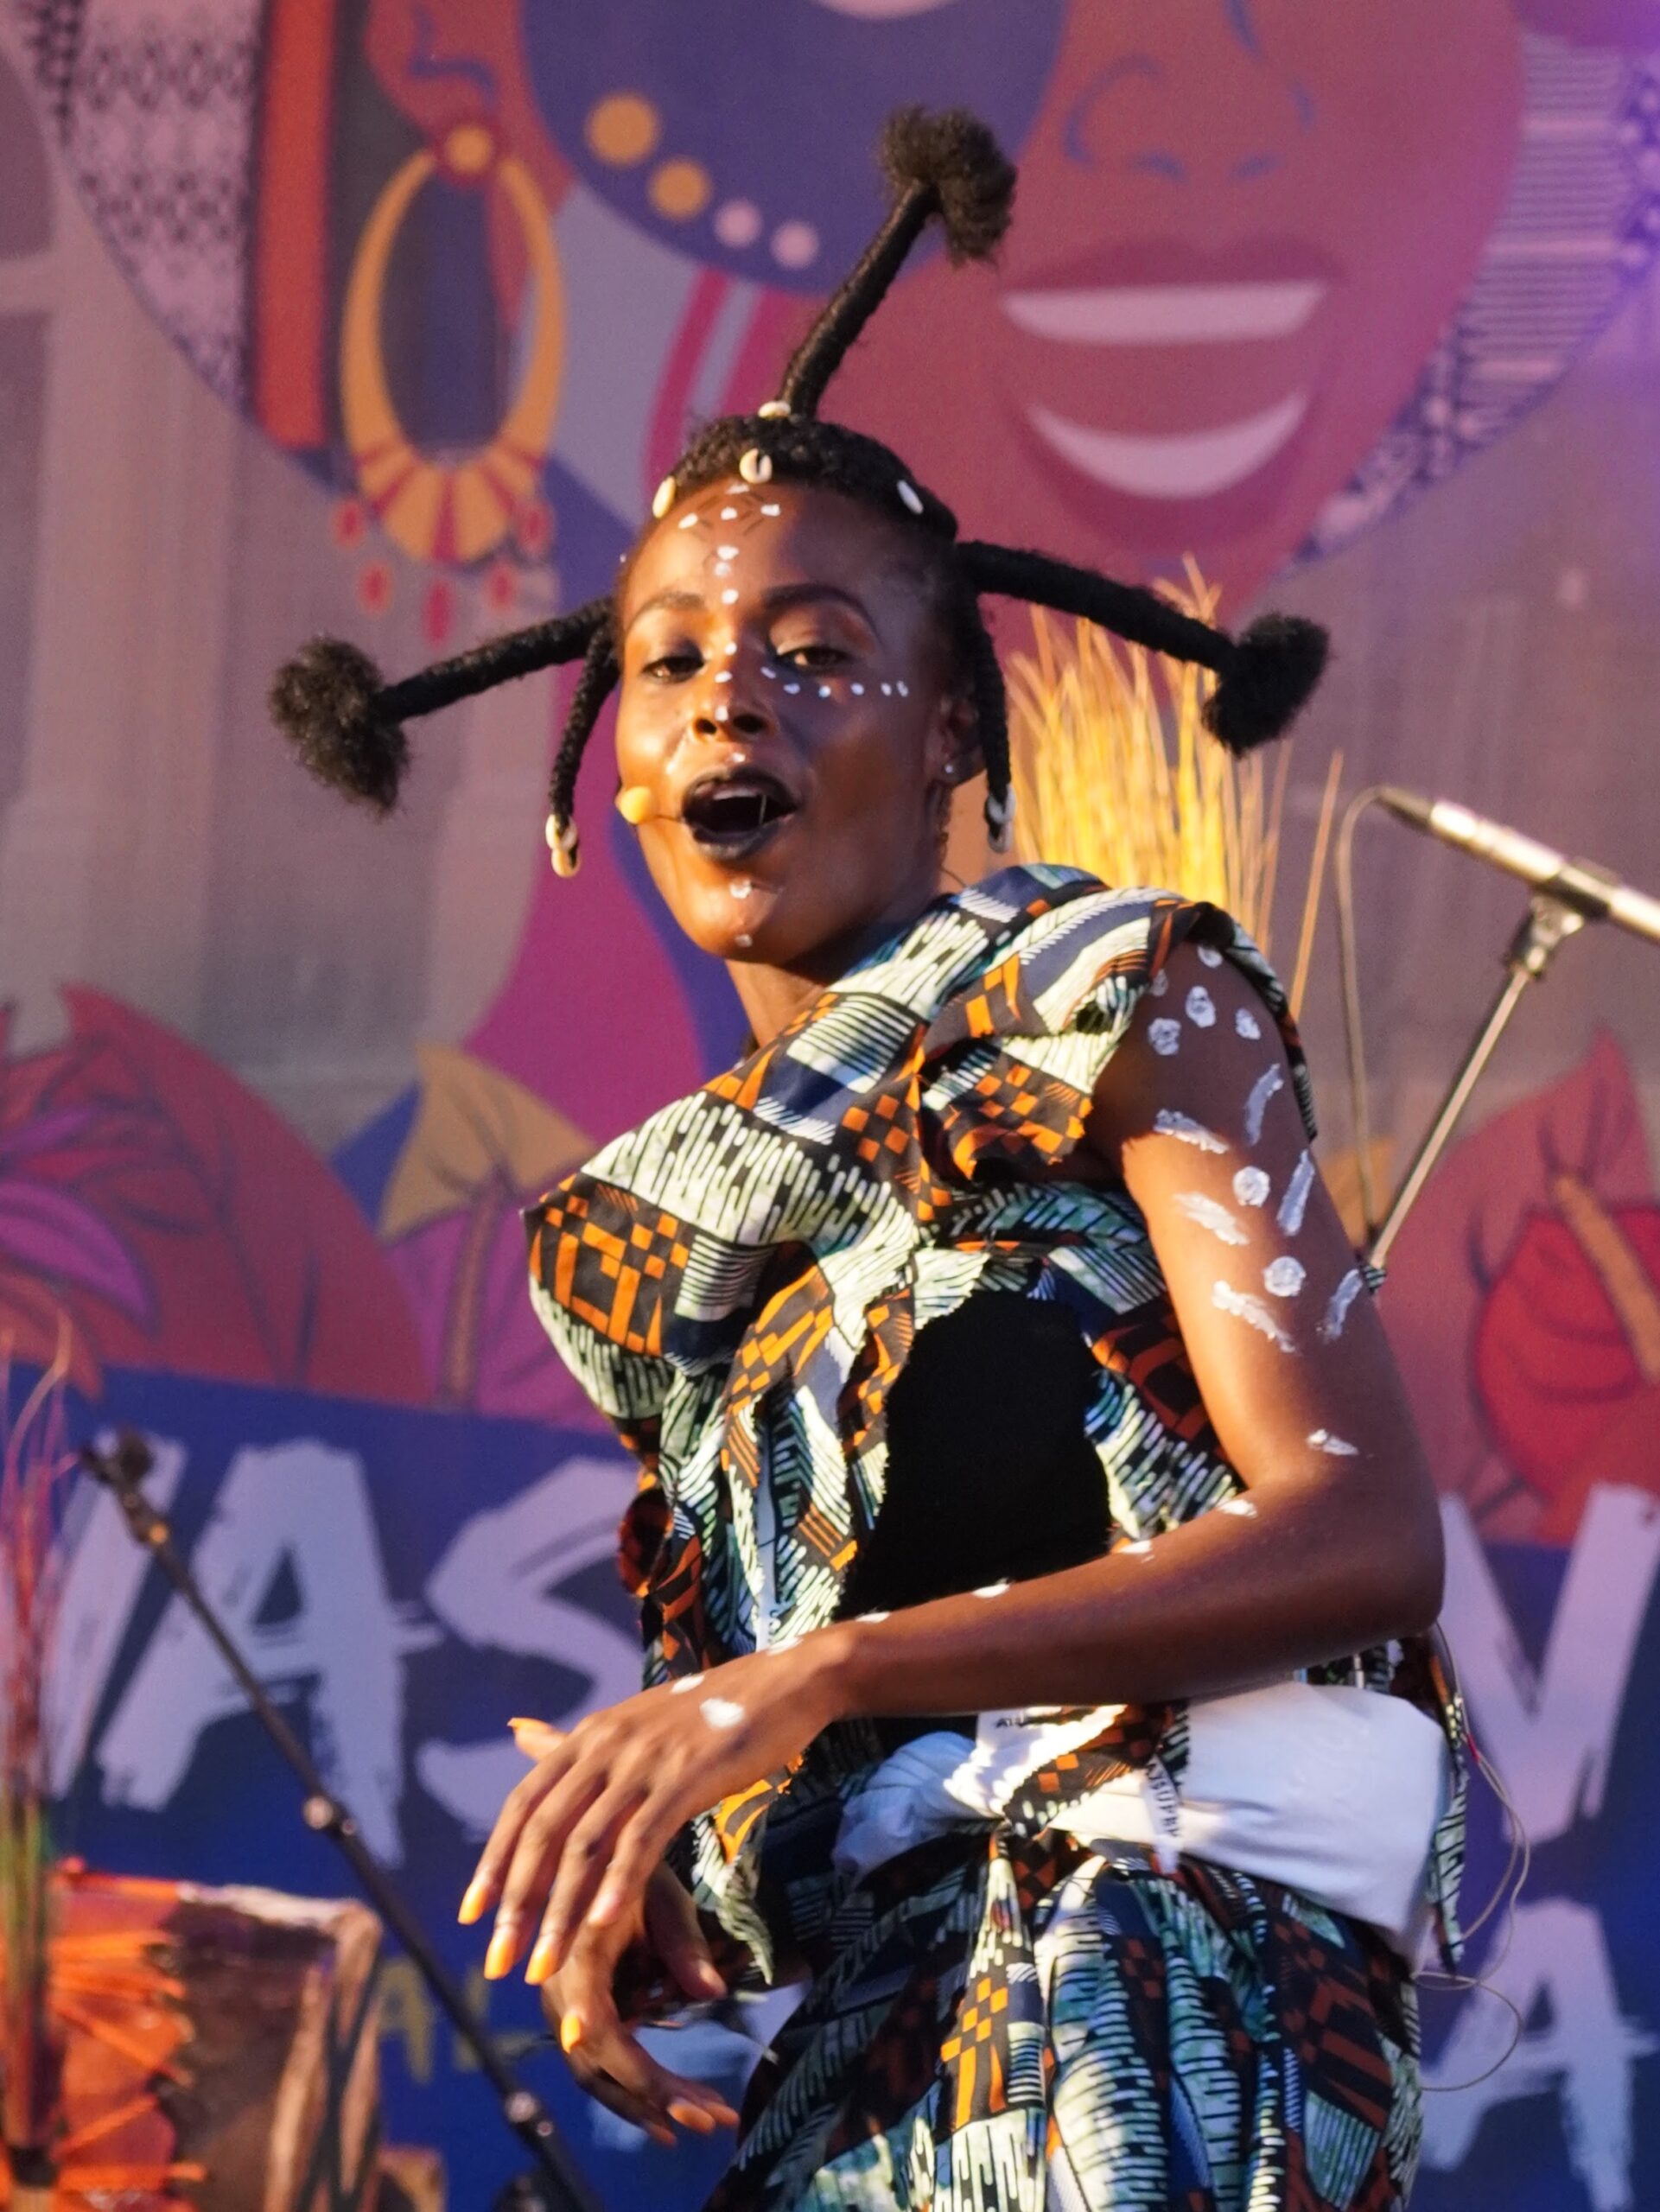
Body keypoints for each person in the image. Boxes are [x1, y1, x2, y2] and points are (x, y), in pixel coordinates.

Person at [274, 110, 1463, 2211]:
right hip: (871, 2070)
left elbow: (1360, 1533)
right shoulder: (675, 1255)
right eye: (669, 662)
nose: (728, 699)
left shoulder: (1122, 998)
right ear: (611, 764)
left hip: (1155, 2009)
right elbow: (845, 1750)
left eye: (815, 652)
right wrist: (663, 1857)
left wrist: (807, 1673)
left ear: (948, 733)